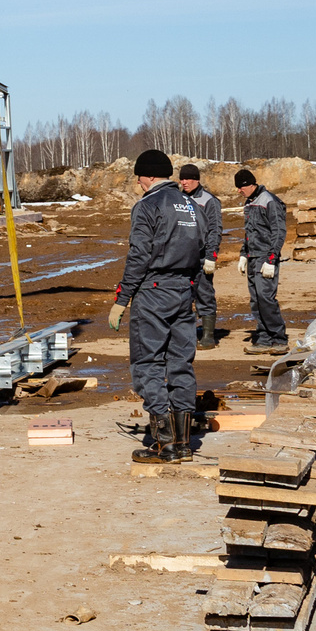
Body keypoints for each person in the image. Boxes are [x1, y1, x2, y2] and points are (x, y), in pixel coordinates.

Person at [108, 147, 208, 463]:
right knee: (180, 362)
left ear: (149, 176)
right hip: (183, 292)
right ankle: (183, 443)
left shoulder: (147, 206)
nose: (138, 184)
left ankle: (164, 443)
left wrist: (122, 299)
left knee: (148, 362)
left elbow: (139, 256)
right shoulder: (193, 206)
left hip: (153, 292)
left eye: (139, 178)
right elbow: (203, 250)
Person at [237, 168, 289, 351]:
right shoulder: (250, 203)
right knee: (256, 300)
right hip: (253, 257)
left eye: (241, 187)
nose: (239, 191)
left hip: (265, 258)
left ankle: (279, 338)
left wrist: (271, 259)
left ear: (250, 185)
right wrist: (244, 254)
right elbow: (249, 233)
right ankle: (264, 337)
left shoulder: (270, 201)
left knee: (266, 298)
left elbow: (279, 232)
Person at [179, 164, 223, 343]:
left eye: (188, 179)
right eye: (182, 179)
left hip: (202, 256)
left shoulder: (209, 201)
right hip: (182, 257)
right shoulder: (179, 199)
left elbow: (215, 229)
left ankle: (208, 336)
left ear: (196, 179)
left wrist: (211, 256)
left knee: (204, 294)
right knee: (183, 296)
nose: (184, 182)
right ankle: (186, 334)